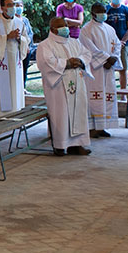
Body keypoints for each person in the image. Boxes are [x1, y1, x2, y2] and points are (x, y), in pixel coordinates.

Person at [36, 17, 93, 156]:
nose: (65, 28)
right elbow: (46, 62)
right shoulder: (45, 45)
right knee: (61, 114)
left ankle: (77, 144)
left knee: (78, 111)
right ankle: (60, 145)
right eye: (62, 26)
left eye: (66, 25)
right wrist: (66, 63)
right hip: (58, 86)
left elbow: (87, 54)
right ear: (53, 29)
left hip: (77, 82)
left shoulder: (74, 42)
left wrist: (79, 61)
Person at [79, 3, 120, 138]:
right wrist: (106, 59)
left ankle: (102, 126)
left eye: (104, 11)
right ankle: (92, 127)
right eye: (99, 11)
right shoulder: (86, 29)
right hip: (95, 69)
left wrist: (114, 58)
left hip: (108, 70)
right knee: (94, 96)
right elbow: (89, 48)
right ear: (93, 13)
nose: (102, 13)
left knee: (107, 95)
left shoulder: (110, 29)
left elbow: (117, 44)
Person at [0, 0, 29, 115]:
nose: (13, 7)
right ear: (2, 7)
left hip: (15, 60)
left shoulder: (19, 22)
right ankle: (1, 114)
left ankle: (16, 111)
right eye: (9, 5)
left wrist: (19, 39)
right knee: (2, 88)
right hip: (2, 61)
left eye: (14, 5)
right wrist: (6, 37)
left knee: (15, 87)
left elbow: (26, 39)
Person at [105, 0, 128, 89]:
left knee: (123, 69)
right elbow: (102, 28)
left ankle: (123, 94)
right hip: (109, 44)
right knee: (109, 69)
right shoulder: (106, 10)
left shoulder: (126, 10)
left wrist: (122, 42)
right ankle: (110, 91)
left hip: (123, 44)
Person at [15, 0, 36, 87]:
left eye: (20, 5)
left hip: (27, 49)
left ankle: (23, 86)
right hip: (17, 49)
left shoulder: (25, 20)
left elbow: (30, 33)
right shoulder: (12, 20)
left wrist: (26, 44)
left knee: (24, 69)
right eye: (17, 6)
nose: (19, 8)